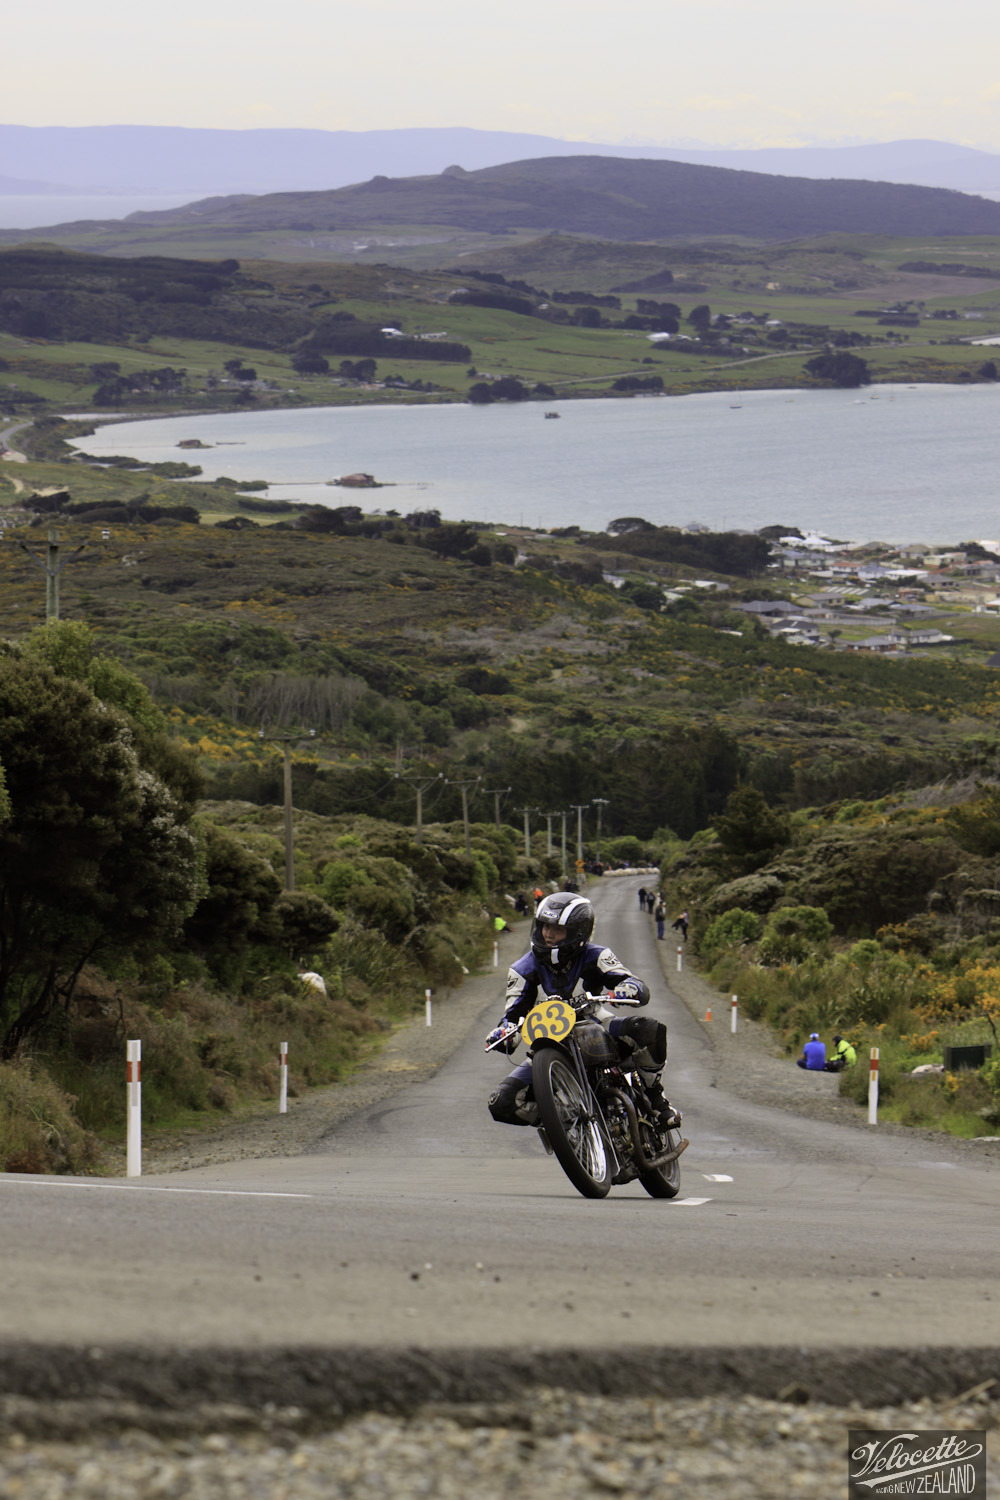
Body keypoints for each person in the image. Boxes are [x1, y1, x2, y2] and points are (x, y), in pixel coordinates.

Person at [486, 891, 680, 1132]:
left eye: (557, 928)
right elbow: (512, 1017)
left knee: (649, 1029)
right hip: (547, 1041)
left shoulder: (597, 955)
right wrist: (504, 1033)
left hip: (597, 1023)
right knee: (501, 1102)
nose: (547, 933)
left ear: (578, 931)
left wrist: (627, 989)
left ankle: (655, 1097)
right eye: (544, 925)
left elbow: (631, 982)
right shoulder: (521, 969)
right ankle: (566, 1120)